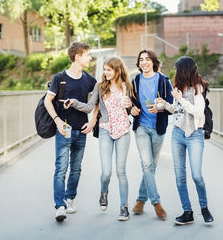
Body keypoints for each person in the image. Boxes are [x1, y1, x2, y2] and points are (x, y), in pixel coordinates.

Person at [63, 56, 133, 221]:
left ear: (117, 70)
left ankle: (124, 208)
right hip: (105, 130)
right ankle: (104, 192)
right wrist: (73, 102)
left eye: (109, 70)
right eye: (104, 69)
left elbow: (132, 108)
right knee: (106, 172)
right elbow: (89, 107)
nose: (105, 73)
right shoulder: (100, 87)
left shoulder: (127, 86)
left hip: (123, 130)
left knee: (121, 172)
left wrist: (130, 105)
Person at [157, 56, 214, 225]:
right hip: (177, 134)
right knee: (180, 177)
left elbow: (198, 112)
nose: (175, 72)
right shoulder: (178, 87)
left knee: (196, 175)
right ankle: (187, 212)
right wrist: (166, 105)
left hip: (194, 134)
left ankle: (204, 208)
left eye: (177, 69)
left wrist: (180, 98)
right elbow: (178, 110)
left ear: (184, 70)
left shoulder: (198, 88)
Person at [44, 42, 97, 221]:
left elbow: (98, 100)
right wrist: (58, 121)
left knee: (76, 169)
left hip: (81, 131)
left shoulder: (89, 80)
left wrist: (93, 122)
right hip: (64, 129)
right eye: (88, 54)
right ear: (78, 56)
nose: (90, 58)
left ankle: (70, 198)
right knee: (61, 169)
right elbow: (47, 101)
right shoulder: (60, 78)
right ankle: (60, 206)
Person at [129, 50, 173, 220]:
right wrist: (131, 109)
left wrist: (160, 107)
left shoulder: (163, 80)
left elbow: (171, 105)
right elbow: (130, 103)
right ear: (139, 63)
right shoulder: (135, 81)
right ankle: (156, 203)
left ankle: (140, 201)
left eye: (147, 59)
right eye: (141, 59)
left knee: (151, 167)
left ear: (153, 62)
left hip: (158, 128)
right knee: (147, 165)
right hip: (141, 127)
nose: (144, 62)